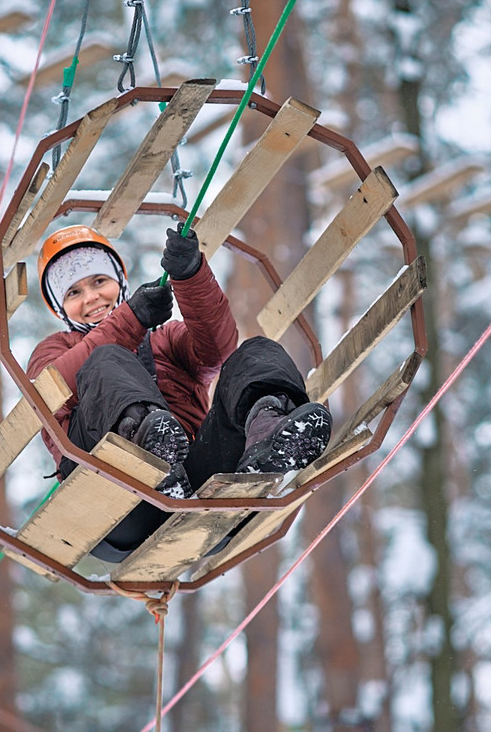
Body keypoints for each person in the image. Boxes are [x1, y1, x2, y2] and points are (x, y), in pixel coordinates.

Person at [26, 223, 332, 562]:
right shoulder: (52, 351)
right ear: (59, 306)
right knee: (105, 360)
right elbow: (48, 391)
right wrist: (131, 320)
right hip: (115, 501)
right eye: (73, 292)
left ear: (119, 282)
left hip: (193, 484)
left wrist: (191, 276)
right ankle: (149, 449)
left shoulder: (164, 339)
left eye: (99, 281)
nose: (91, 297)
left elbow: (216, 350)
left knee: (257, 350)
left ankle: (268, 439)